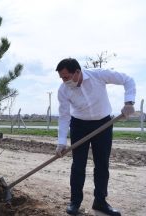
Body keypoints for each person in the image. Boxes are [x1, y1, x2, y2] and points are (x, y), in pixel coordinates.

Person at [55, 58, 135, 216]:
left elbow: (128, 79)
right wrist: (61, 142)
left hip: (103, 124)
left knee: (102, 165)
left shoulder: (98, 75)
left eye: (66, 77)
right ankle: (75, 202)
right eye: (61, 78)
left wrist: (129, 102)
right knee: (78, 165)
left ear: (77, 72)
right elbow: (64, 116)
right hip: (79, 126)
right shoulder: (63, 90)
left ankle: (100, 201)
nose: (64, 81)